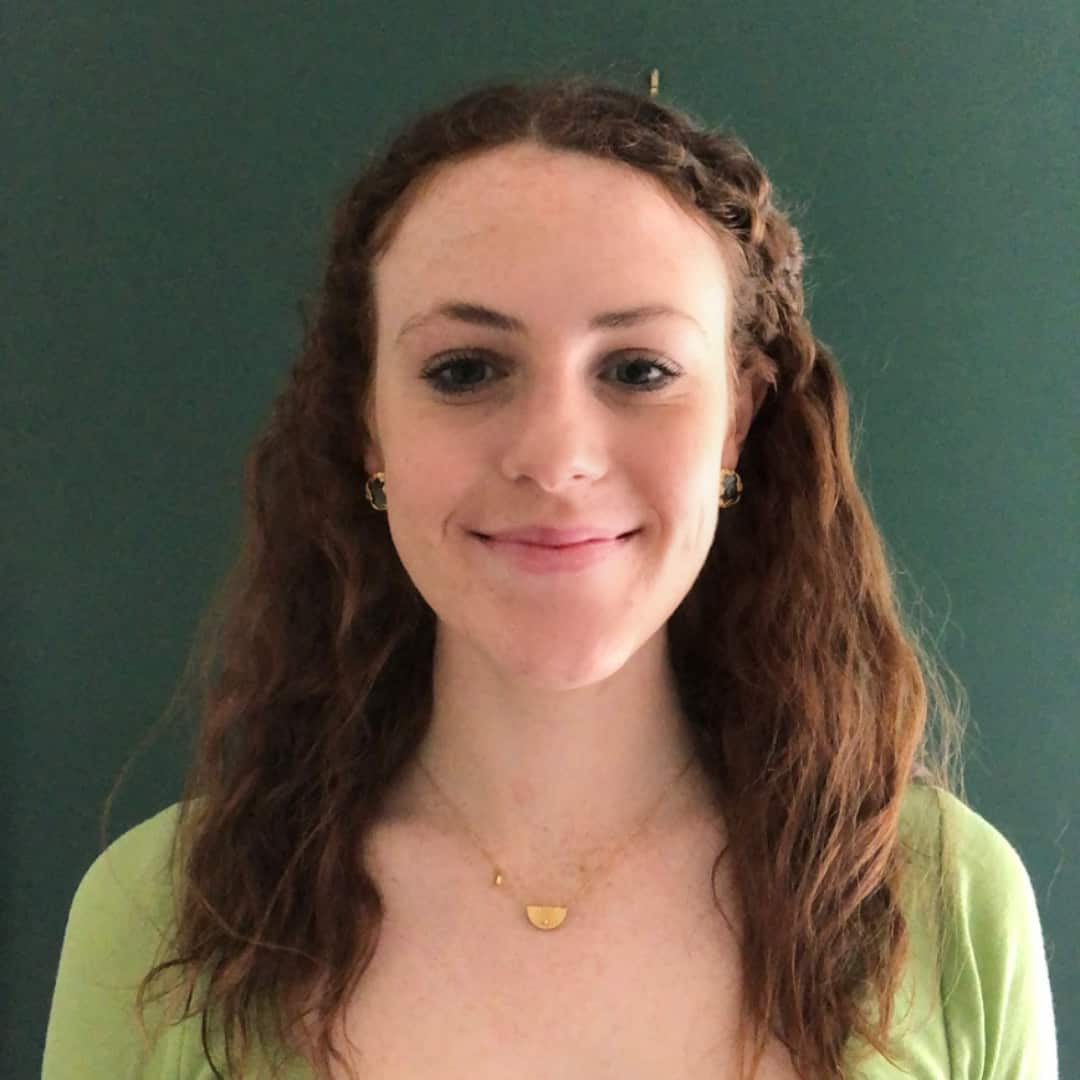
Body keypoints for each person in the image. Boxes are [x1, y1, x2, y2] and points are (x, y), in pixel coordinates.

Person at [42, 75, 1058, 1079]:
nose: (557, 454)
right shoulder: (158, 916)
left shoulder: (948, 907)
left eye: (638, 370)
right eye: (466, 369)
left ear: (737, 422)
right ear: (367, 428)